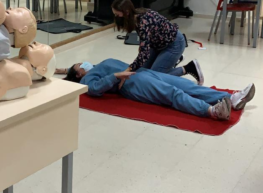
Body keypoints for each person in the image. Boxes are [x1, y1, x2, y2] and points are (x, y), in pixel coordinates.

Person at [63, 59, 256, 121]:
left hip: (142, 73)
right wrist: (116, 76)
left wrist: (60, 69)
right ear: (78, 74)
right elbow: (94, 90)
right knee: (172, 94)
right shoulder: (88, 77)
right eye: (80, 65)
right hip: (132, 84)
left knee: (186, 85)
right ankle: (211, 111)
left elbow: (66, 71)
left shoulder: (95, 66)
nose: (84, 62)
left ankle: (231, 98)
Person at [111, 0, 204, 88]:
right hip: (157, 44)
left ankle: (188, 68)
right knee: (141, 72)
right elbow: (145, 46)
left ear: (126, 12)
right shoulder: (136, 14)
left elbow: (144, 54)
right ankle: (171, 60)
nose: (116, 17)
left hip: (174, 44)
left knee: (153, 77)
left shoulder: (142, 22)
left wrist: (128, 69)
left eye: (117, 14)